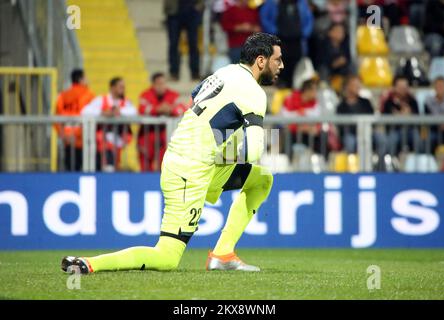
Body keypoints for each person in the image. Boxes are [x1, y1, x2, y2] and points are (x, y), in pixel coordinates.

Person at [61, 33, 284, 273]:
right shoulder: (254, 92)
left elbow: (196, 97)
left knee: (261, 179)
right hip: (192, 170)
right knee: (167, 256)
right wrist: (246, 141)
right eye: (277, 59)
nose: (281, 65)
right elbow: (252, 152)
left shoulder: (225, 72)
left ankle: (223, 254)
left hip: (193, 161)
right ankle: (89, 264)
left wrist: (224, 145)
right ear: (261, 61)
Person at [82, 77, 137, 172]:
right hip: (103, 141)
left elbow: (134, 112)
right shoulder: (101, 100)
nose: (123, 89)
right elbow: (84, 111)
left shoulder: (126, 102)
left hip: (118, 140)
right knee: (106, 165)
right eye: (120, 87)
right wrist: (102, 113)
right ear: (112, 87)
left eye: (123, 87)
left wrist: (120, 112)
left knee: (115, 165)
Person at [138, 72, 187, 171]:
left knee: (165, 164)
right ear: (153, 84)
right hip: (148, 135)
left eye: (163, 83)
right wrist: (157, 109)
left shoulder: (173, 95)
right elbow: (142, 109)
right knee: (145, 164)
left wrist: (170, 109)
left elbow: (181, 109)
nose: (162, 86)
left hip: (166, 135)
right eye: (159, 84)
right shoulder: (145, 95)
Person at [260, 0, 313, 88]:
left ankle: (293, 89)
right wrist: (275, 31)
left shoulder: (301, 3)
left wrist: (304, 33)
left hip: (297, 41)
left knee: (296, 67)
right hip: (279, 40)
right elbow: (264, 18)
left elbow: (309, 19)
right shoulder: (272, 2)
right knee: (278, 65)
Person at [55, 69, 95, 171]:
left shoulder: (62, 95)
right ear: (81, 79)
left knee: (70, 171)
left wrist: (63, 135)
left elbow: (56, 118)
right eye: (85, 78)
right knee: (87, 171)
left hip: (67, 139)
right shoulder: (89, 95)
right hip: (84, 139)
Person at [164, 0, 204, 81]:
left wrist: (199, 6)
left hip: (192, 12)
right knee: (173, 44)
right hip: (174, 13)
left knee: (193, 44)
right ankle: (174, 73)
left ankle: (195, 73)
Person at [381, 75, 421, 155]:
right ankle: (391, 163)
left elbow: (418, 120)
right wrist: (397, 117)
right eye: (400, 87)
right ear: (394, 87)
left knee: (418, 138)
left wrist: (410, 115)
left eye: (405, 87)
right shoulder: (388, 102)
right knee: (391, 140)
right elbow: (385, 120)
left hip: (410, 131)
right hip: (394, 131)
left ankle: (418, 163)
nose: (403, 90)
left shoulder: (412, 101)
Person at [336, 75, 374, 153]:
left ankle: (380, 164)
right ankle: (353, 164)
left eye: (359, 84)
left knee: (381, 139)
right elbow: (341, 126)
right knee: (350, 142)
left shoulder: (366, 102)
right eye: (355, 85)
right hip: (350, 134)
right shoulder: (341, 106)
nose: (358, 87)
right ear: (347, 86)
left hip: (366, 132)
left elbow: (372, 118)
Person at [425, 76, 444, 152]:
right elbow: (427, 118)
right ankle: (429, 162)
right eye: (438, 86)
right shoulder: (428, 101)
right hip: (434, 131)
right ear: (434, 87)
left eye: (442, 86)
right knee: (427, 140)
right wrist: (438, 125)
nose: (440, 88)